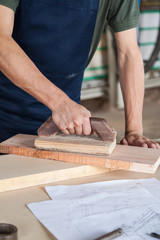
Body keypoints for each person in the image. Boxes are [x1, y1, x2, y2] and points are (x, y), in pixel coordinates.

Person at [0, 0, 159, 149]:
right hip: (6, 108)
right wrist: (59, 103)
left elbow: (129, 53)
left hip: (68, 117)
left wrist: (134, 130)